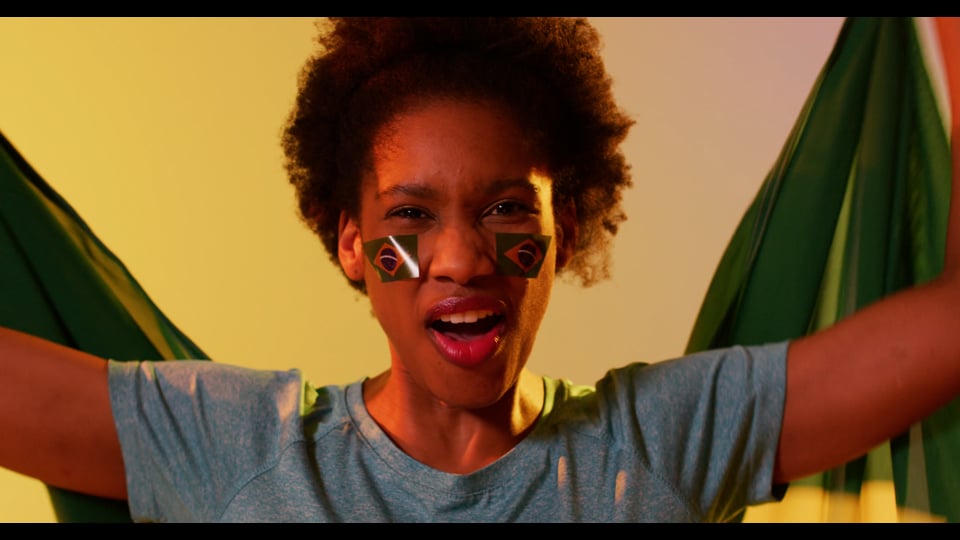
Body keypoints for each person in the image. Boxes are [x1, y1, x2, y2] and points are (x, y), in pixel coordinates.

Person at [1, 16, 959, 523]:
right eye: (410, 218)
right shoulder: (237, 451)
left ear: (566, 227)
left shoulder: (661, 443)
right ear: (348, 243)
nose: (459, 259)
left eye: (506, 210)